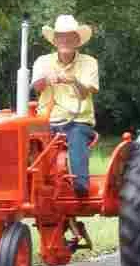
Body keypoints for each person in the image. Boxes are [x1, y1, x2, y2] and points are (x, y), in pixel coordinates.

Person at [32, 14, 99, 195]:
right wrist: (47, 79)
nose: (65, 40)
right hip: (47, 121)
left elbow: (86, 92)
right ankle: (28, 185)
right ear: (55, 40)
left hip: (77, 120)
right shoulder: (43, 61)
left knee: (77, 135)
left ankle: (80, 185)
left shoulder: (89, 62)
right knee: (26, 141)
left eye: (70, 37)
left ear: (77, 40)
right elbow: (36, 86)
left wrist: (73, 80)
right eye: (61, 37)